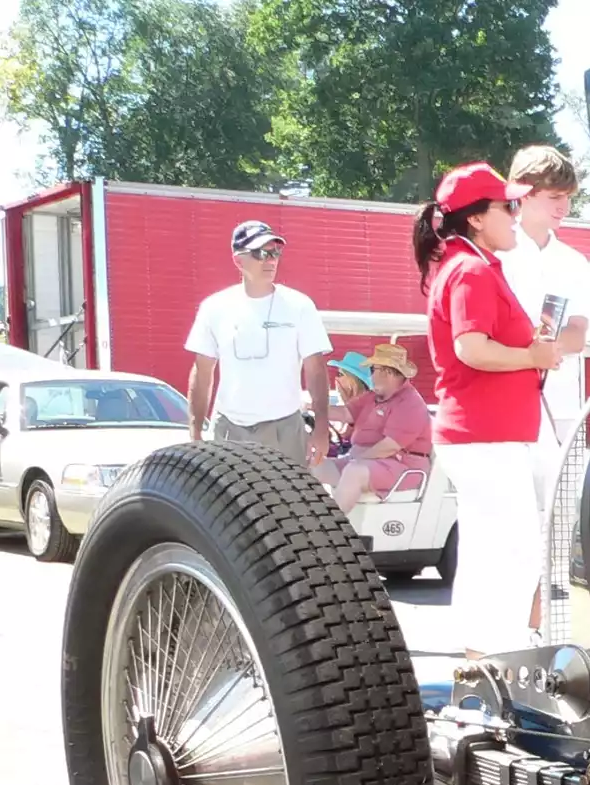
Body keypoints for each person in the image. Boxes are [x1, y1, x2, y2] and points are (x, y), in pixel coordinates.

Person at [414, 161, 561, 657]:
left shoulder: (467, 264)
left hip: (482, 434)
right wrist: (533, 356)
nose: (516, 214)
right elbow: (471, 348)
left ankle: (483, 659)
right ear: (476, 218)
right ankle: (499, 657)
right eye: (508, 205)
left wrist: (530, 352)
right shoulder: (471, 270)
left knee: (488, 550)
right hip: (485, 435)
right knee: (514, 550)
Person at [185, 220, 332, 467]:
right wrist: (195, 430)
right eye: (261, 253)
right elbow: (202, 372)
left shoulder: (300, 306)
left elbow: (316, 369)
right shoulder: (214, 308)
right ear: (238, 260)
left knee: (287, 494)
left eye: (275, 252)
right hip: (229, 429)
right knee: (226, 494)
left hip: (285, 429)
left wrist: (321, 427)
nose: (271, 260)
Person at [498, 145, 590, 518]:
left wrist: (544, 348)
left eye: (568, 197)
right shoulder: (494, 255)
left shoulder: (573, 262)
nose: (564, 206)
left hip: (562, 404)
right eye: (555, 196)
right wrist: (529, 352)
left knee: (562, 517)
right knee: (513, 516)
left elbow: (578, 334)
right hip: (507, 404)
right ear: (525, 193)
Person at [314, 343, 433, 513]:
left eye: (372, 370)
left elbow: (389, 447)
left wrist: (357, 459)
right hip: (368, 462)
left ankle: (329, 526)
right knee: (314, 467)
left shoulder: (410, 403)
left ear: (388, 372)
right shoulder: (372, 397)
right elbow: (345, 413)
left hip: (401, 466)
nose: (370, 376)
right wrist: (311, 408)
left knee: (354, 472)